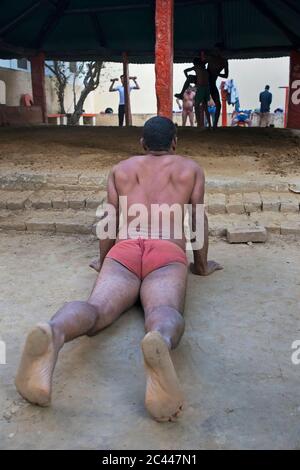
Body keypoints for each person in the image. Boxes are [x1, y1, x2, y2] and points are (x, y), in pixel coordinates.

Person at [15, 116, 222, 423]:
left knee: (96, 310)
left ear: (142, 143)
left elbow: (109, 220)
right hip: (166, 252)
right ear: (175, 143)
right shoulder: (190, 169)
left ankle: (54, 331)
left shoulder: (120, 170)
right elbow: (197, 221)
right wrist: (201, 265)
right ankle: (159, 339)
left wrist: (103, 260)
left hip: (124, 249)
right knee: (163, 311)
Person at [206, 46, 229, 128]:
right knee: (203, 105)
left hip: (212, 84)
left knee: (218, 105)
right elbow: (201, 61)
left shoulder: (224, 61)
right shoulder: (211, 58)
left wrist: (217, 74)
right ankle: (207, 124)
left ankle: (214, 124)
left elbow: (226, 75)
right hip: (205, 83)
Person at [193, 58, 212, 128]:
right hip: (207, 87)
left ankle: (199, 124)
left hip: (201, 88)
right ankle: (209, 124)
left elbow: (185, 71)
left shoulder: (196, 67)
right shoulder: (205, 70)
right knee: (205, 107)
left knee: (196, 106)